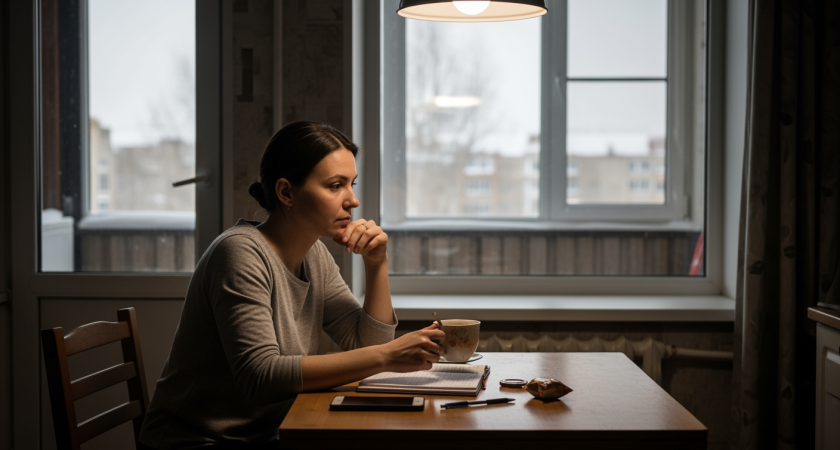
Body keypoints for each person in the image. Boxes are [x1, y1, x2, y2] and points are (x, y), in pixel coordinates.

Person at [139, 121, 445, 449]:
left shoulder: (315, 253)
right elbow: (260, 376)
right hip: (195, 441)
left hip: (268, 434)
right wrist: (386, 356)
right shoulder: (239, 253)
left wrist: (376, 264)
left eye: (352, 184)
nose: (353, 201)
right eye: (335, 185)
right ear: (286, 192)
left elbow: (364, 343)